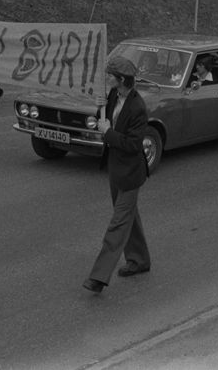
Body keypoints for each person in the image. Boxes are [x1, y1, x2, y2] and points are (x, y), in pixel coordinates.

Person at [83, 57, 151, 294]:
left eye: (110, 75)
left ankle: (98, 277)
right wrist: (99, 106)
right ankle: (140, 260)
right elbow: (104, 122)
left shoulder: (138, 107)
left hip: (131, 173)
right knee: (128, 217)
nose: (107, 78)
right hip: (115, 168)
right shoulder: (113, 95)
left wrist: (108, 132)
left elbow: (133, 145)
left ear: (122, 79)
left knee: (118, 224)